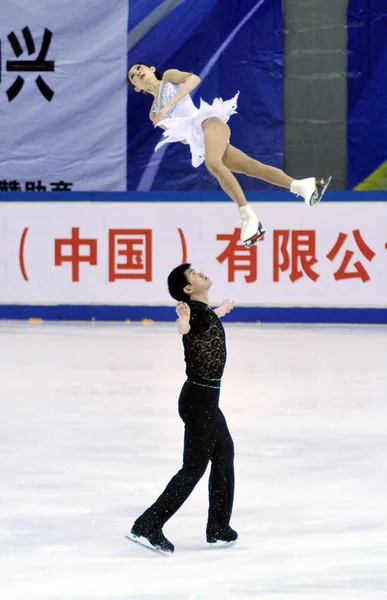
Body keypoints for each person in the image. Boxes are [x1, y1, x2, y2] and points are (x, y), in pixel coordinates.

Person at [127, 63, 331, 248]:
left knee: (213, 163)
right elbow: (181, 137)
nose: (139, 73)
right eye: (134, 76)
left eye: (139, 68)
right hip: (201, 139)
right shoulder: (153, 114)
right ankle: (306, 186)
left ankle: (249, 218)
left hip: (208, 121)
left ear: (151, 69)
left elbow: (194, 79)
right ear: (137, 88)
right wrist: (191, 140)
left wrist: (170, 105)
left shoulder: (169, 77)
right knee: (252, 167)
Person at [128, 264, 237, 554]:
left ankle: (218, 527)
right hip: (199, 399)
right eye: (195, 275)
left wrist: (222, 310)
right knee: (194, 468)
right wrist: (183, 319)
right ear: (188, 290)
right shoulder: (193, 313)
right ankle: (148, 524)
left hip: (205, 398)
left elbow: (206, 319)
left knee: (224, 455)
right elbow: (185, 329)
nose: (201, 274)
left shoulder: (205, 312)